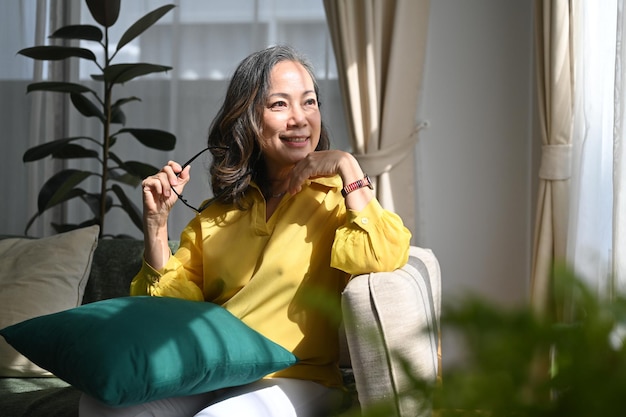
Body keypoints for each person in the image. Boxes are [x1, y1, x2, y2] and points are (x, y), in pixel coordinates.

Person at [79, 45, 411, 417]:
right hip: (214, 372)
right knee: (104, 404)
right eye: (279, 105)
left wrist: (349, 168)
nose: (300, 119)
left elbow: (379, 256)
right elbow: (173, 313)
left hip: (298, 378)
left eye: (310, 103)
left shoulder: (338, 201)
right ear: (247, 117)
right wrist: (156, 228)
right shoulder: (216, 214)